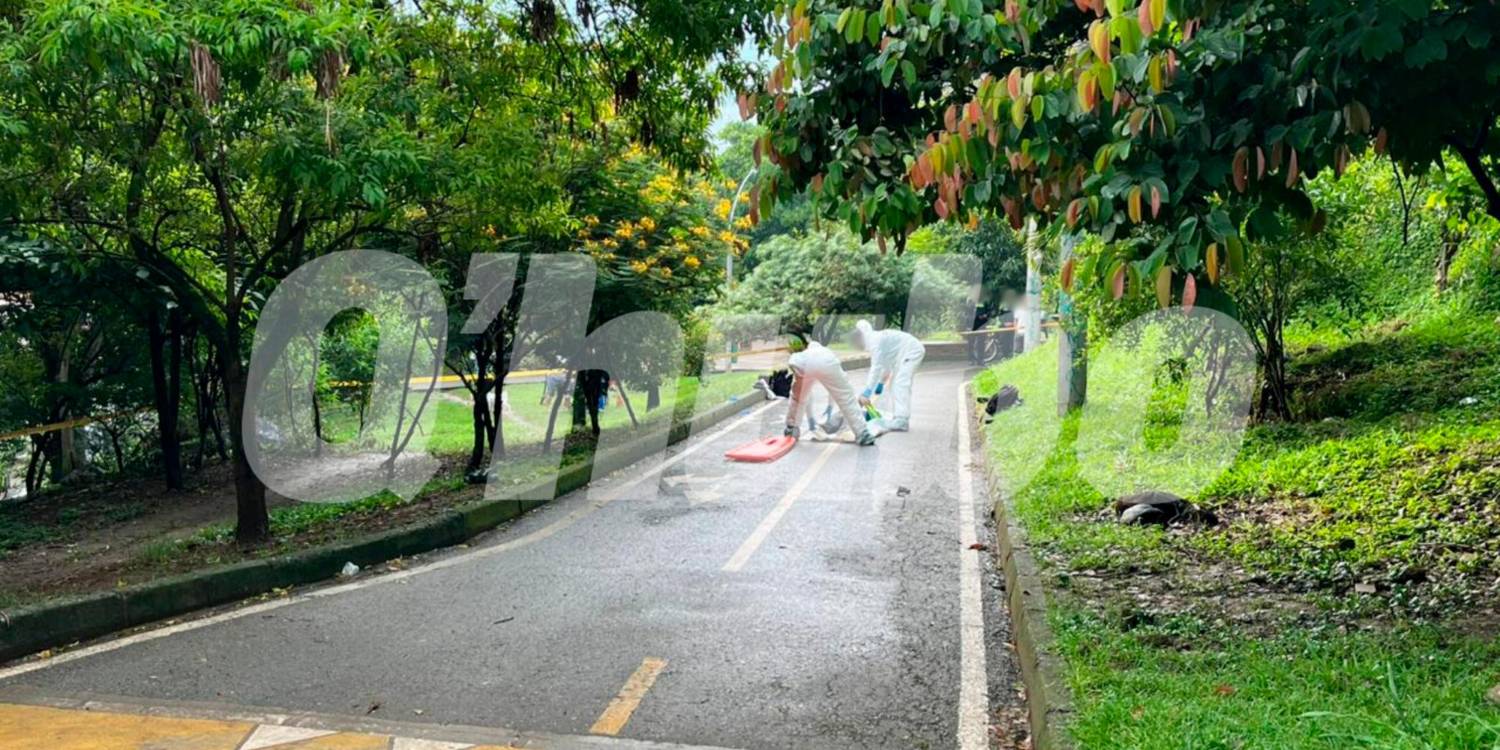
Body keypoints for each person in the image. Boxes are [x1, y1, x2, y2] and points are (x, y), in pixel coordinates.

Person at [783, 332, 877, 446]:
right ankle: (863, 433)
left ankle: (792, 429)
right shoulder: (822, 350)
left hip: (802, 365)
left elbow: (799, 394)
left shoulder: (798, 356)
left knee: (798, 398)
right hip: (828, 362)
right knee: (846, 398)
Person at [853, 319, 925, 432]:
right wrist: (881, 383)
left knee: (901, 384)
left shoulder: (875, 342)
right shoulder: (878, 340)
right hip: (904, 353)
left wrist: (867, 391)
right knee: (894, 385)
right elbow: (886, 366)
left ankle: (902, 420)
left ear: (860, 337)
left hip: (912, 351)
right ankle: (899, 417)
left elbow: (876, 368)